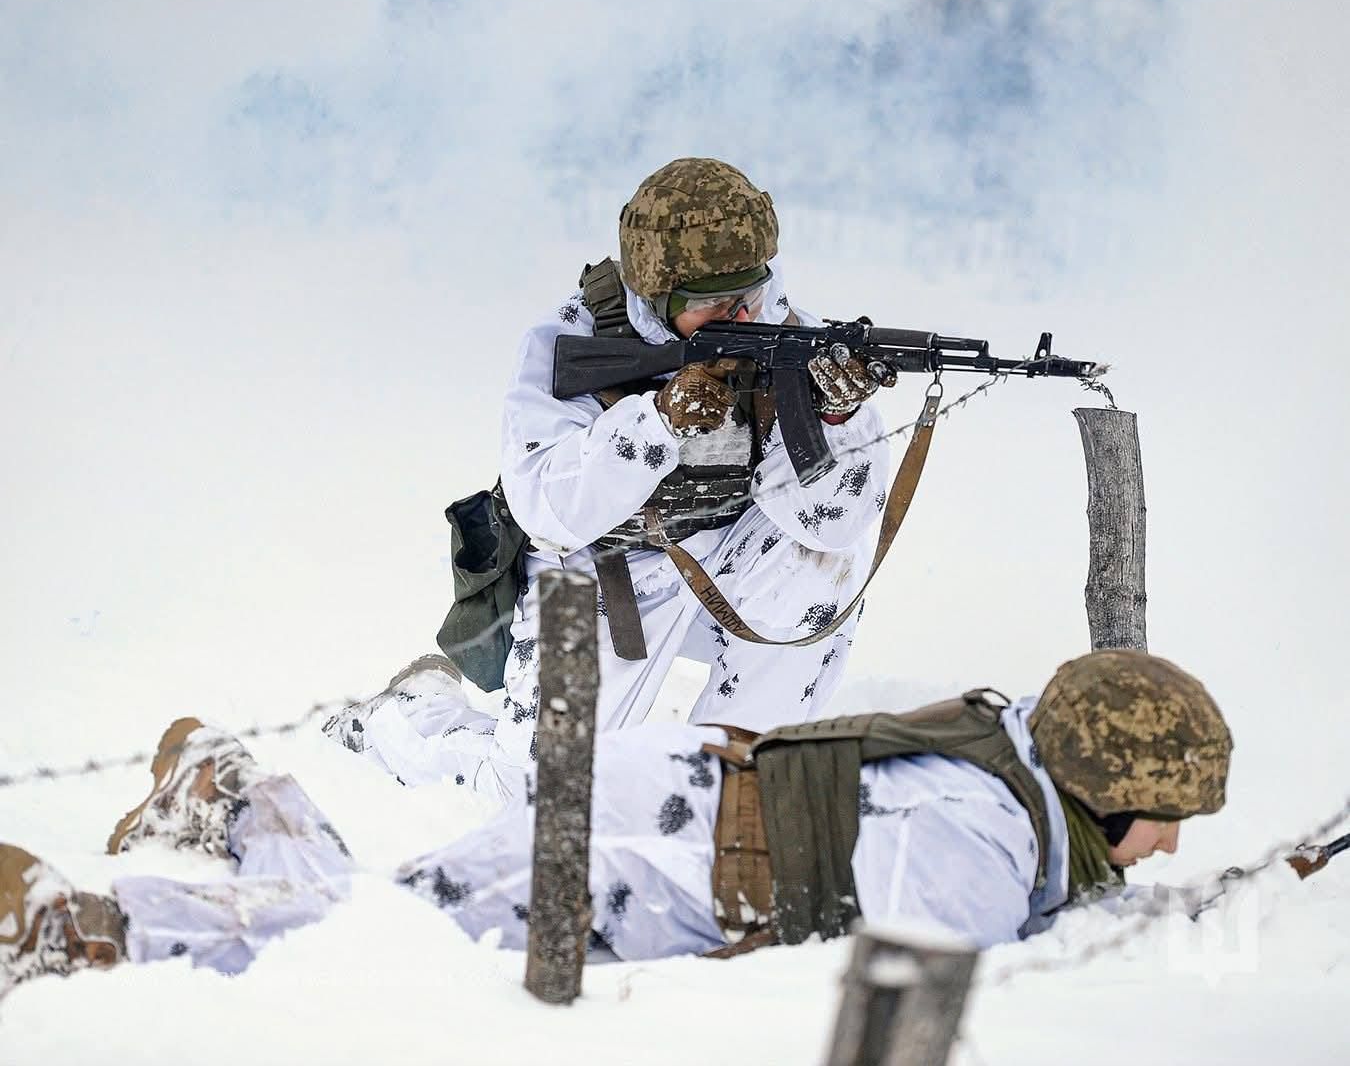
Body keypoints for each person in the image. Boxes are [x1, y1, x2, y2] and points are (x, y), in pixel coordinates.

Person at [1, 649, 1232, 996]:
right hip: (616, 877)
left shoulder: (1001, 750)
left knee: (372, 913)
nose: (1170, 843)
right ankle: (79, 926)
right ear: (1100, 783)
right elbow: (906, 980)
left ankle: (227, 786)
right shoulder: (982, 843)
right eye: (1163, 815)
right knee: (342, 945)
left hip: (652, 806)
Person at [339, 157, 894, 803]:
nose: (740, 317)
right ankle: (403, 716)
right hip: (595, 575)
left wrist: (835, 416)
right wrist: (657, 423)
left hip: (729, 562)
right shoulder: (572, 337)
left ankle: (730, 779)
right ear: (656, 292)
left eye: (749, 293)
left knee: (822, 565)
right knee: (542, 798)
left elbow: (835, 526)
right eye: (709, 304)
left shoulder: (786, 334)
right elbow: (547, 508)